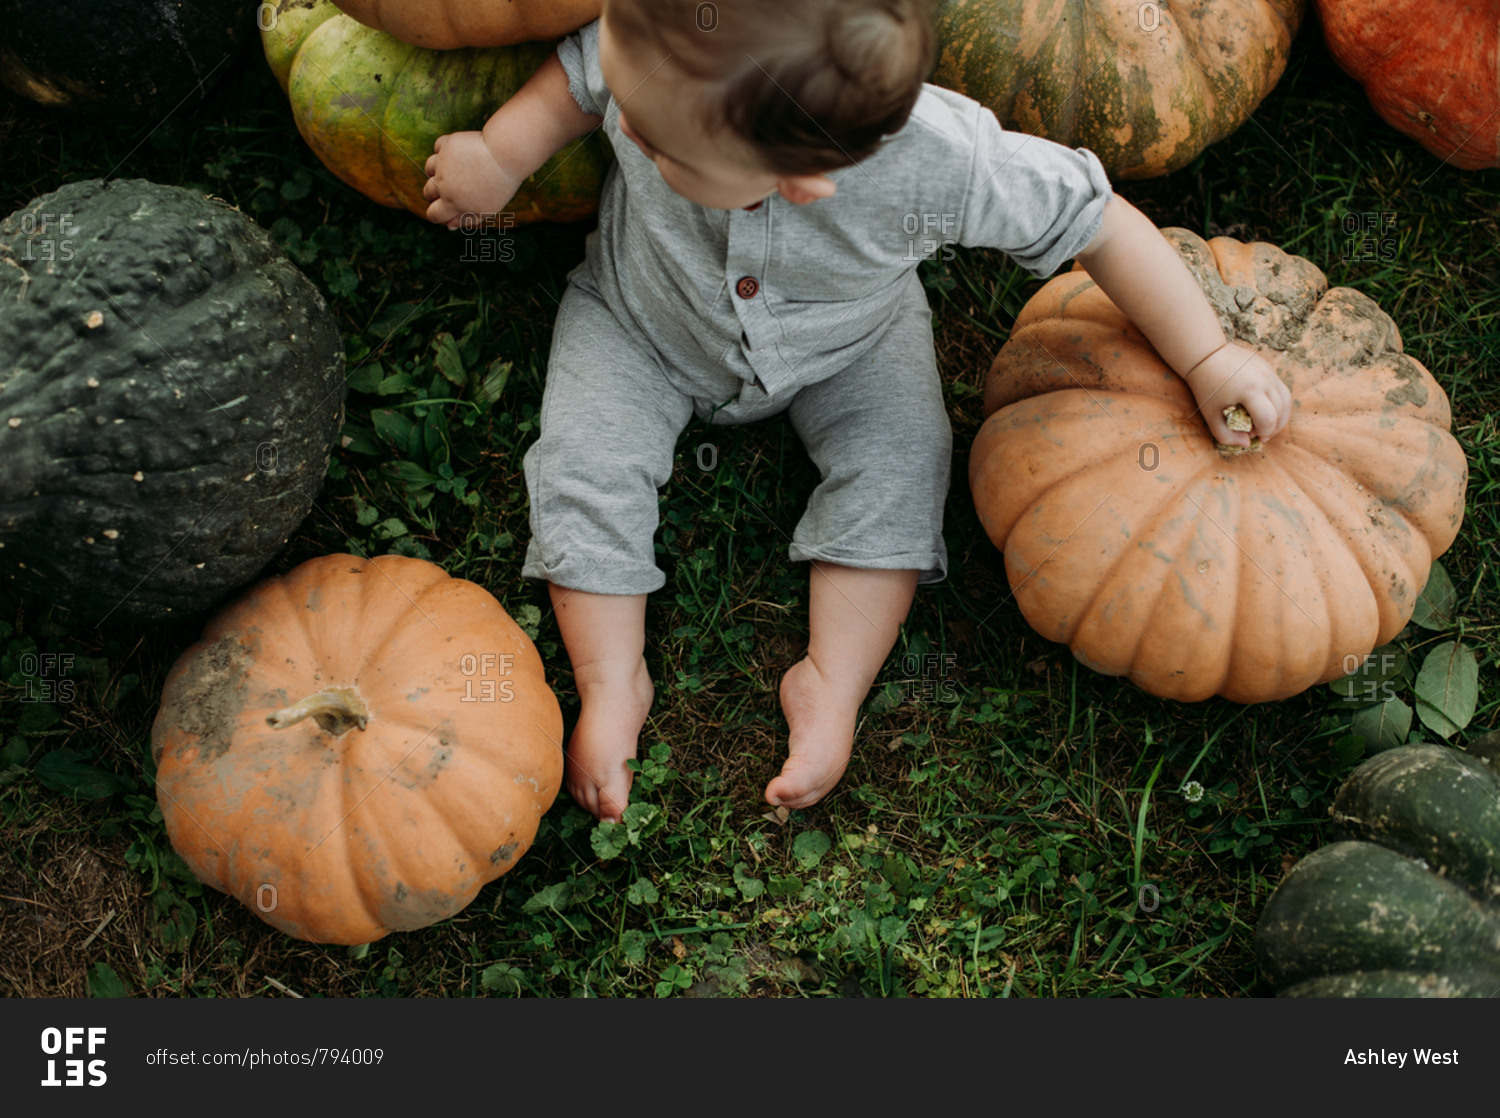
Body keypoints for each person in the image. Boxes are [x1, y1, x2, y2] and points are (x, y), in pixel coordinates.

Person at [422, 0, 1292, 823]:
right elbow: (584, 75)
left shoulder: (946, 160)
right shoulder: (669, 40)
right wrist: (501, 156)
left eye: (658, 148)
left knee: (906, 463)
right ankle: (613, 682)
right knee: (583, 462)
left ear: (801, 179)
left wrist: (1207, 356)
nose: (629, 136)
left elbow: (1096, 219)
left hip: (854, 345)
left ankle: (832, 684)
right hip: (636, 319)